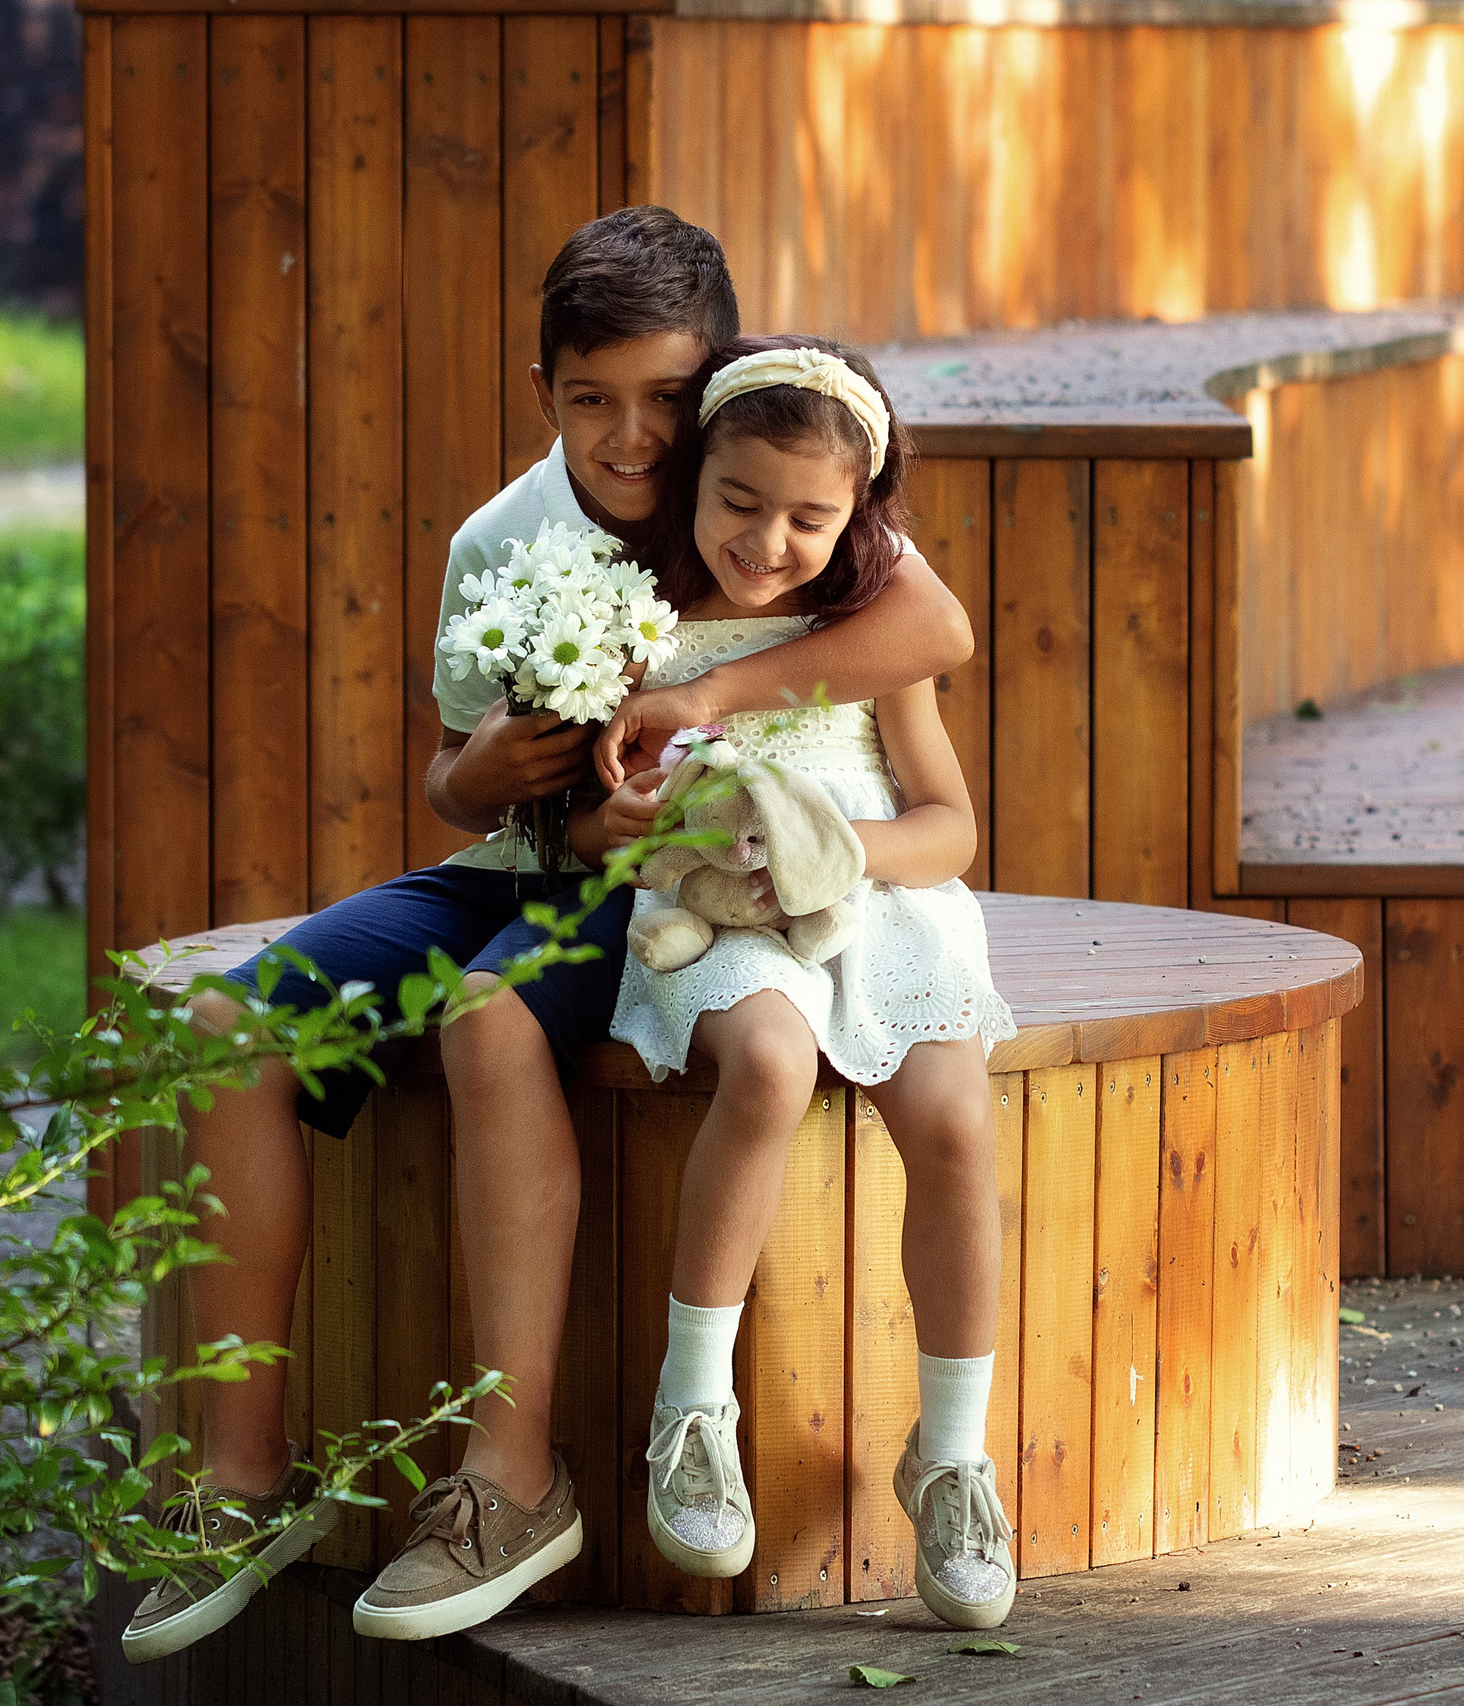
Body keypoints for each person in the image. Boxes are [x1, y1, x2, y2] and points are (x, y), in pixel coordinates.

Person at [120, 211, 976, 1662]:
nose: (634, 437)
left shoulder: (759, 505)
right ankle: (242, 1474)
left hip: (652, 888)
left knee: (492, 1016)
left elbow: (930, 628)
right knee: (222, 1026)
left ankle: (513, 1473)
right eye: (594, 399)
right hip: (521, 860)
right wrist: (484, 776)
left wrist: (703, 709)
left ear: (722, 381)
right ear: (544, 393)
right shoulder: (504, 538)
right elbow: (454, 776)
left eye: (666, 397)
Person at [593, 336, 1019, 1630]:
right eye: (739, 501)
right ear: (693, 478)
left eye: (808, 519)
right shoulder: (645, 626)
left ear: (856, 516)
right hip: (709, 905)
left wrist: (839, 855)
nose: (768, 542)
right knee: (771, 1066)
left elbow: (950, 825)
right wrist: (654, 824)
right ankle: (693, 1405)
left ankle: (952, 1454)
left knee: (956, 1120)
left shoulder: (868, 631)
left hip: (875, 899)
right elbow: (599, 817)